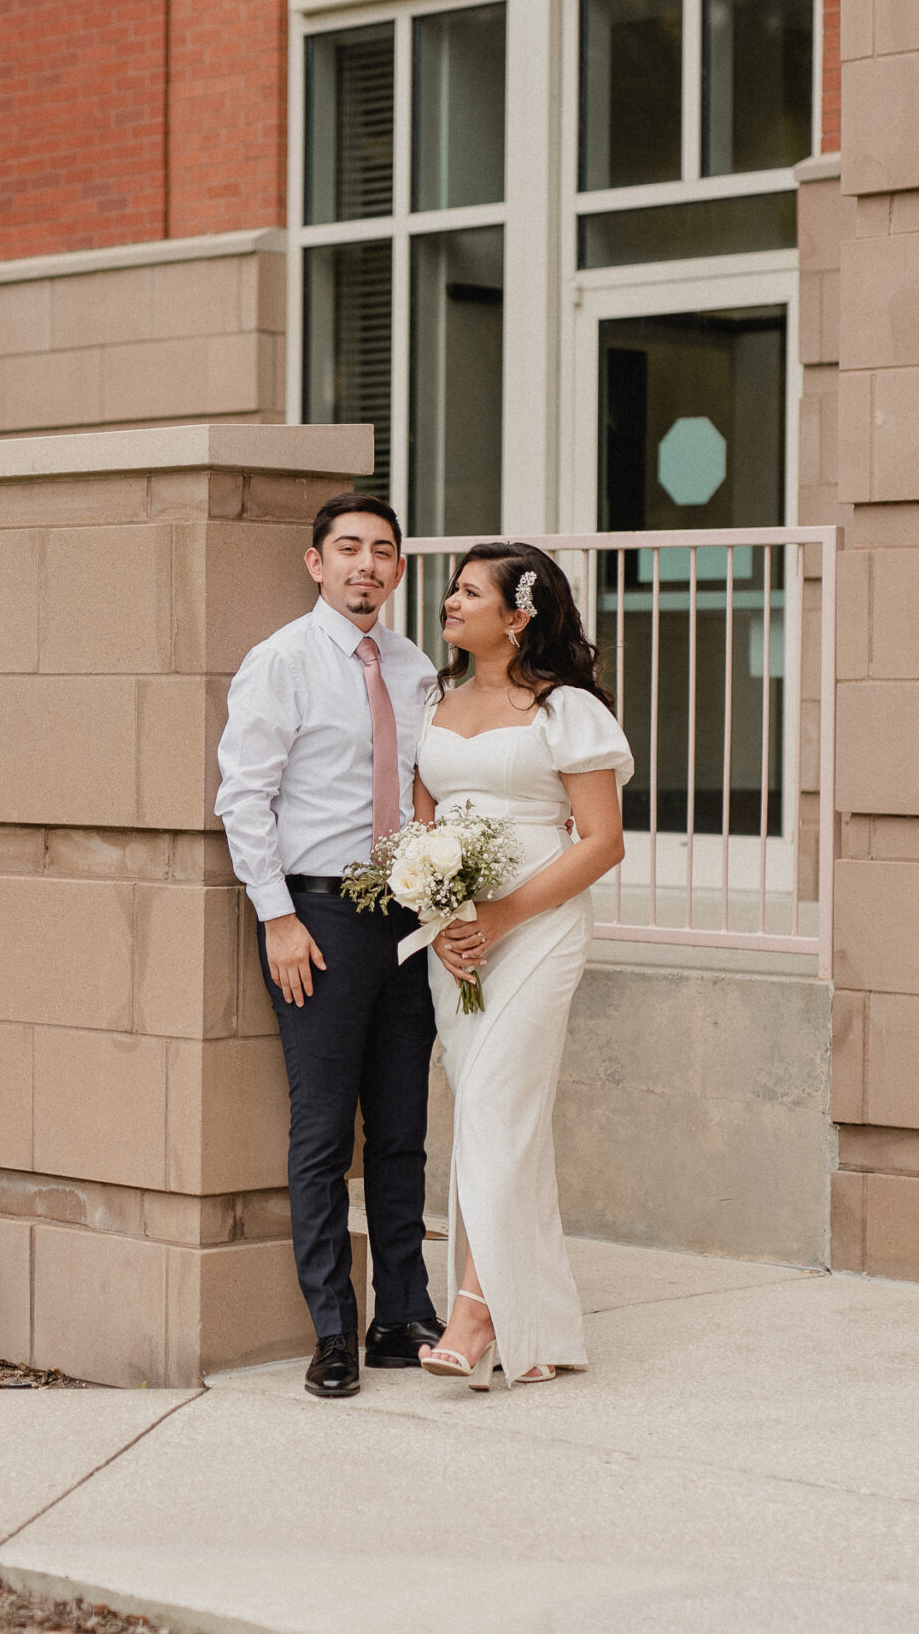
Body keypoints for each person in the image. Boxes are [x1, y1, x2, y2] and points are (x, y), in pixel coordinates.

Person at [213, 493, 446, 1400]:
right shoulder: (280, 662)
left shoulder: (414, 665)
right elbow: (244, 797)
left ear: (397, 569)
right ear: (317, 563)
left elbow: (427, 788)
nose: (367, 564)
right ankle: (333, 1331)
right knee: (321, 1133)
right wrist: (277, 916)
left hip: (406, 918)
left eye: (382, 551)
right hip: (320, 921)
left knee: (400, 1129)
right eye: (348, 548)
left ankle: (401, 1314)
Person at [413, 542, 633, 1389]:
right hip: (456, 939)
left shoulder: (564, 709)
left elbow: (603, 841)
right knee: (491, 1116)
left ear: (518, 616)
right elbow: (422, 829)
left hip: (536, 935)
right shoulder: (437, 698)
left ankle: (476, 1311)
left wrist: (502, 916)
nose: (452, 601)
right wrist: (443, 918)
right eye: (454, 588)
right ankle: (536, 1325)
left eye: (472, 592)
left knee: (500, 1109)